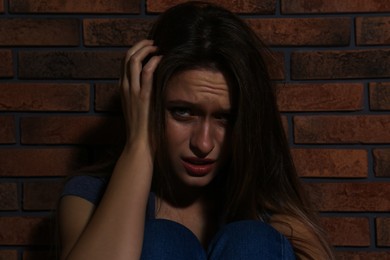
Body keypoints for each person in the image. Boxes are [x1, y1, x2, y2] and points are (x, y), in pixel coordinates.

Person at [58, 1, 334, 259]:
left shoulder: (271, 209)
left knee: (252, 239)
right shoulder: (90, 196)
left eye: (224, 118)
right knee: (160, 240)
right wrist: (139, 144)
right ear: (148, 103)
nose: (203, 144)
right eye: (183, 112)